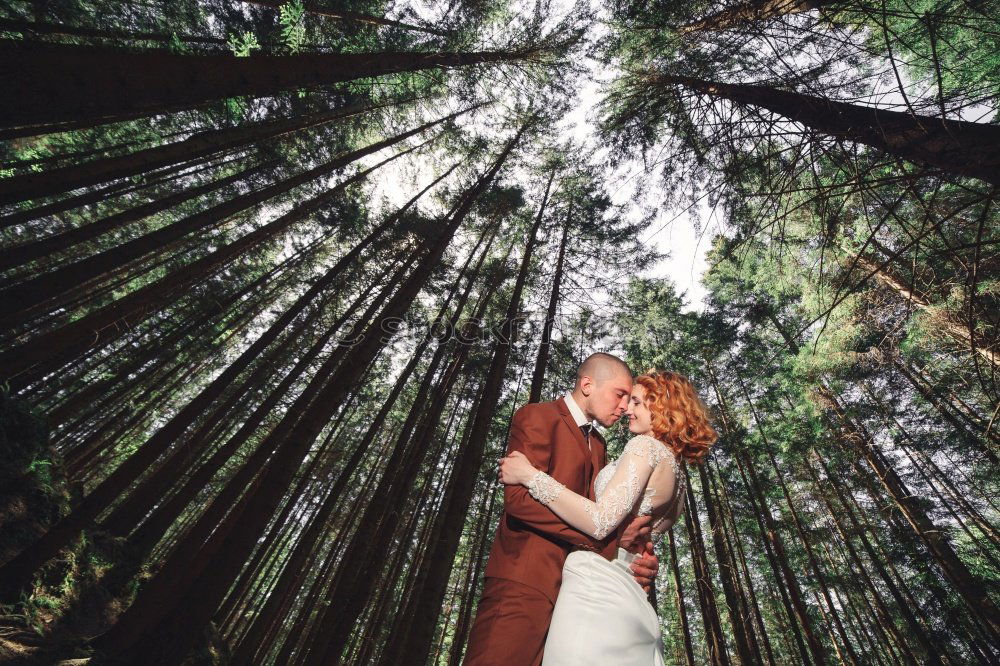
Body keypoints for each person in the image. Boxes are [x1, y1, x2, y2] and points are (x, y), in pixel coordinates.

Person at [499, 369, 717, 665]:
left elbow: (601, 521)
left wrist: (530, 476)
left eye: (638, 402)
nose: (627, 408)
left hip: (596, 586)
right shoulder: (677, 473)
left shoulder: (645, 447)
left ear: (663, 407)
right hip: (630, 591)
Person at [463, 353, 660, 666]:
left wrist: (628, 555)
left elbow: (595, 513)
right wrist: (603, 542)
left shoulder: (598, 444)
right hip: (525, 579)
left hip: (576, 595)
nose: (624, 407)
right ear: (586, 385)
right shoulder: (537, 416)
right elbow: (520, 501)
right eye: (620, 395)